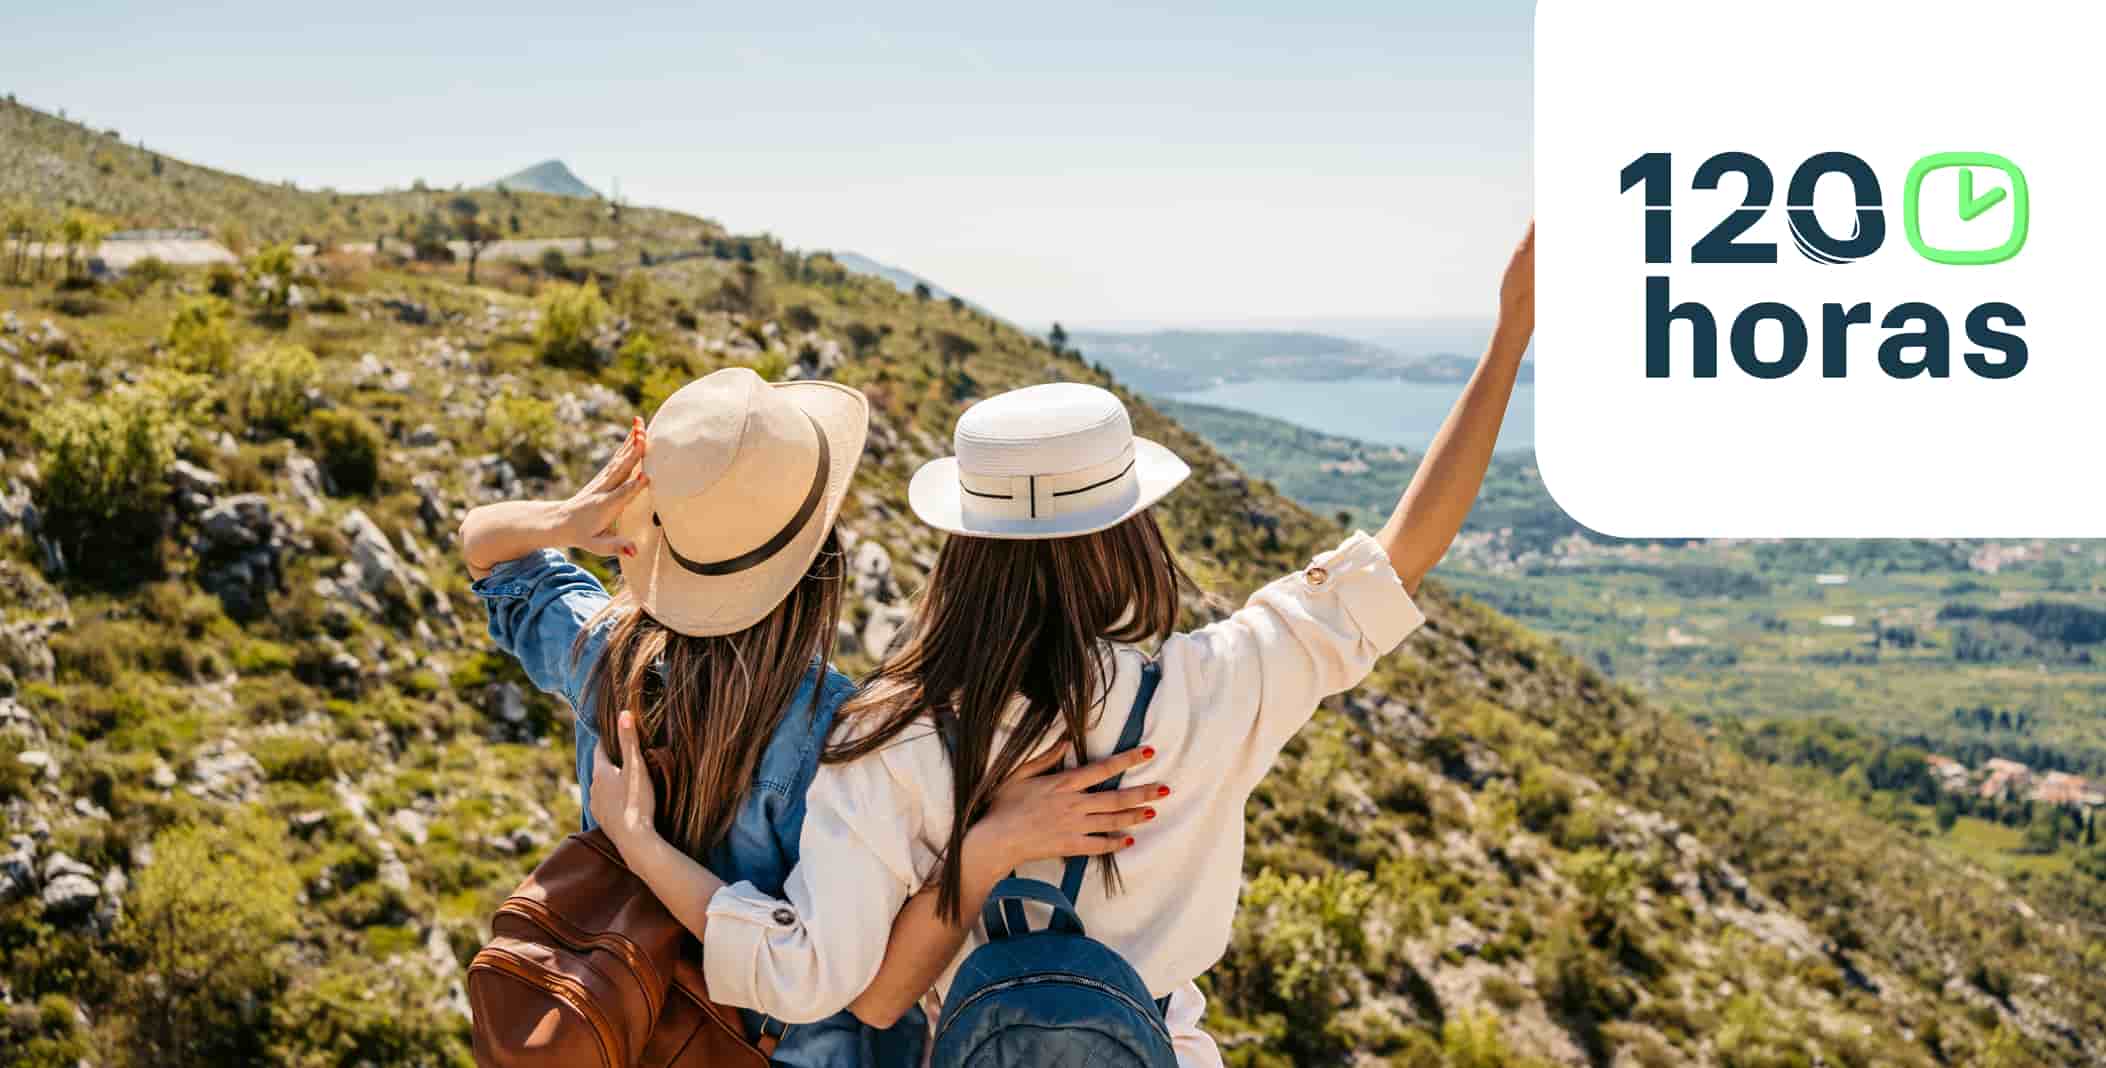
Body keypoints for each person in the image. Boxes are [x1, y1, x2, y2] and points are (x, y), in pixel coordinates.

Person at [593, 224, 1536, 1065]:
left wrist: (637, 841)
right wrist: (1509, 336)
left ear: (964, 543)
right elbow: (1403, 554)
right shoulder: (1212, 689)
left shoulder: (892, 736)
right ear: (1131, 533)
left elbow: (848, 992)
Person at [460, 367, 1165, 1065]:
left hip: (630, 1028)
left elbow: (485, 551)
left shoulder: (602, 653)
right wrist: (987, 848)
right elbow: (876, 993)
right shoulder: (847, 736)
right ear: (818, 556)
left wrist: (567, 520)